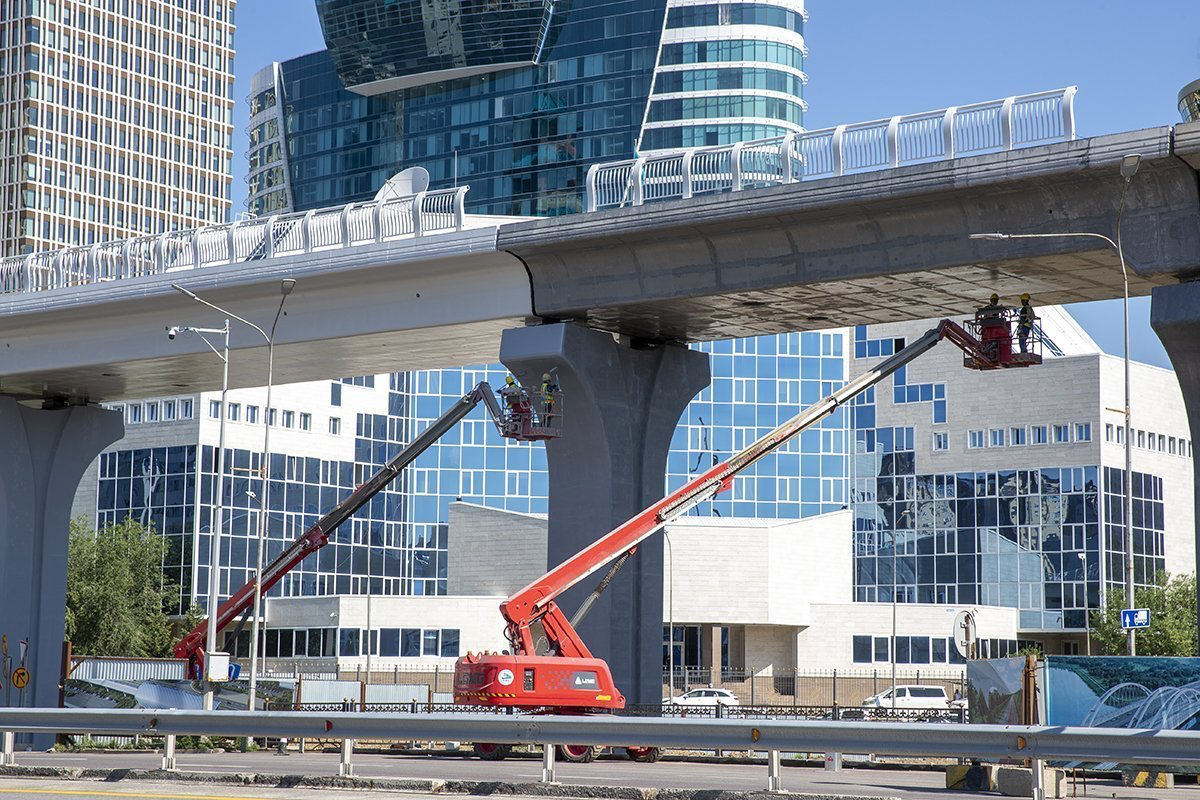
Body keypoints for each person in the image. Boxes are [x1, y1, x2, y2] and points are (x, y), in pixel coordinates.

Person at [975, 293, 1011, 364]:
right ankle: (989, 349)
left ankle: (990, 349)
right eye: (994, 300)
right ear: (991, 300)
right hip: (989, 328)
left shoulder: (997, 308)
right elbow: (984, 315)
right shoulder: (987, 308)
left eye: (996, 300)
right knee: (988, 342)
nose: (996, 301)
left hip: (995, 327)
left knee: (993, 342)